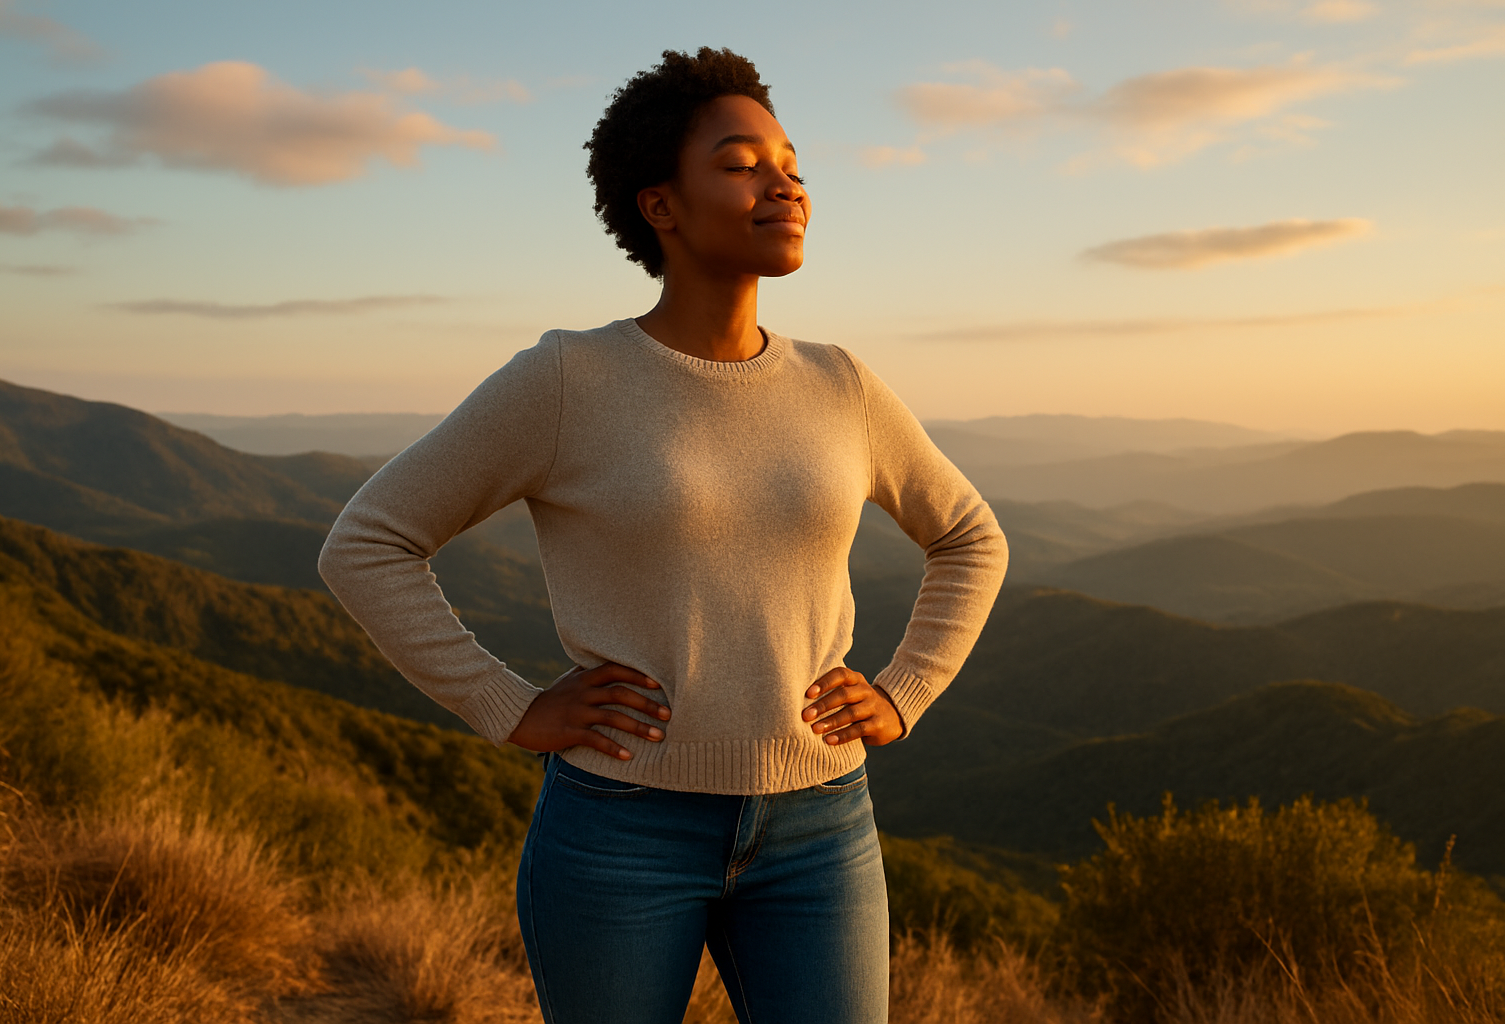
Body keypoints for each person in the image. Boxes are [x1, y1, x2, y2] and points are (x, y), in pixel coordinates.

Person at [319, 46, 1008, 1024]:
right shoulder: (569, 379)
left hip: (822, 825)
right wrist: (506, 704)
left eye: (791, 164)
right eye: (741, 164)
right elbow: (367, 541)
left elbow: (971, 536)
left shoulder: (841, 385)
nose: (785, 184)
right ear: (661, 206)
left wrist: (906, 691)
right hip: (619, 828)